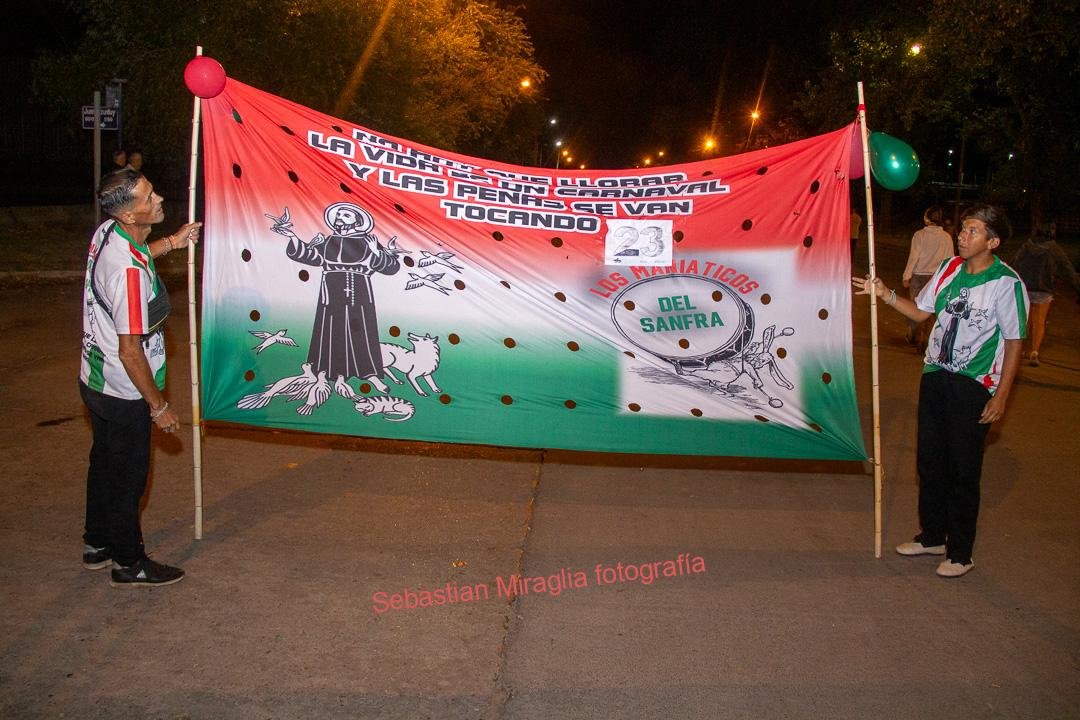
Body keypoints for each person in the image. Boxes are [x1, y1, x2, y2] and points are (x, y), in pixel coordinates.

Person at [852, 204, 1028, 578]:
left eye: (973, 231)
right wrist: (884, 293)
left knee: (963, 469)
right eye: (963, 228)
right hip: (935, 375)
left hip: (974, 384)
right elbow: (920, 312)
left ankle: (960, 553)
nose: (962, 235)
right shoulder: (949, 269)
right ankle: (932, 536)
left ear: (993, 242)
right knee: (930, 462)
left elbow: (1015, 342)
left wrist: (1001, 396)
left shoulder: (1006, 284)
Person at [80, 168, 201, 587]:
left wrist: (172, 242)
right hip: (123, 389)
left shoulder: (108, 232)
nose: (159, 199)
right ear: (130, 215)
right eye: (149, 198)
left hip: (94, 378)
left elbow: (137, 252)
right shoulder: (128, 276)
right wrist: (158, 406)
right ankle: (128, 563)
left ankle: (97, 543)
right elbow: (130, 350)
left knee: (104, 463)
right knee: (128, 478)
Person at [271, 202, 401, 398]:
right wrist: (292, 236)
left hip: (360, 292)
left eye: (346, 215)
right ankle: (326, 372)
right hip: (332, 291)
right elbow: (311, 256)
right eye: (339, 215)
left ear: (357, 221)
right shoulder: (329, 241)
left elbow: (391, 268)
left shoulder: (369, 241)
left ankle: (370, 374)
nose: (340, 218)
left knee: (361, 331)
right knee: (331, 328)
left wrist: (376, 251)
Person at [1010, 225, 1080, 366]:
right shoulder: (1054, 249)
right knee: (1039, 322)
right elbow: (1066, 268)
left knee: (1025, 321)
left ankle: (1020, 350)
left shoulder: (1026, 247)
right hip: (1044, 289)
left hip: (1026, 288)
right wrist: (1077, 287)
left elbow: (1014, 264)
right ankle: (1034, 352)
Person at [901, 206, 954, 349]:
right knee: (931, 311)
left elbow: (914, 257)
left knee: (915, 308)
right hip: (936, 278)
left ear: (927, 218)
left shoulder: (920, 235)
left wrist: (906, 276)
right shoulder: (946, 237)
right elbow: (950, 260)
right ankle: (926, 340)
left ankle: (914, 336)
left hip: (919, 276)